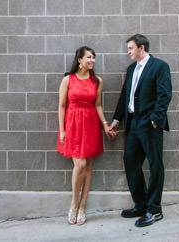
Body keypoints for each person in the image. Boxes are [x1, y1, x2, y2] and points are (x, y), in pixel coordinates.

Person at [108, 34, 172, 228]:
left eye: (130, 48)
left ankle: (154, 209)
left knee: (155, 165)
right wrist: (117, 119)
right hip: (132, 124)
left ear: (141, 48)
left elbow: (165, 94)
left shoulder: (159, 66)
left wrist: (154, 120)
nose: (128, 52)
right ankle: (141, 205)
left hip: (149, 124)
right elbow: (124, 95)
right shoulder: (131, 69)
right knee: (130, 161)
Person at [56, 46, 114, 225]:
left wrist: (105, 125)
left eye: (94, 58)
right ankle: (73, 204)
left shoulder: (97, 81)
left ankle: (82, 206)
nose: (92, 61)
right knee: (79, 164)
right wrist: (62, 130)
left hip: (90, 124)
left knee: (88, 166)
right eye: (89, 57)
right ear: (79, 60)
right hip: (72, 125)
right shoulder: (68, 80)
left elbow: (97, 105)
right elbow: (62, 106)